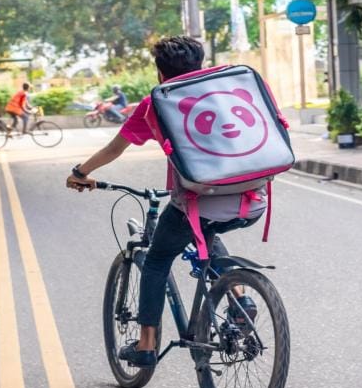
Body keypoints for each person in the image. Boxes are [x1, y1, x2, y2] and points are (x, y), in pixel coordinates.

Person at [66, 36, 263, 369]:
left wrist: (80, 172)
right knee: (206, 234)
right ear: (200, 63)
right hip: (252, 197)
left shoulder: (156, 102)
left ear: (160, 72)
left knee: (157, 260)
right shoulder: (224, 92)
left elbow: (115, 149)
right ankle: (239, 298)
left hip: (198, 199)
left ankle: (145, 345)